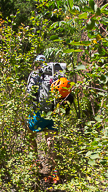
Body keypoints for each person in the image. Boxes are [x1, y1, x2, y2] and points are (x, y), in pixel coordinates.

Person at [26, 55, 73, 184]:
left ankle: (35, 164)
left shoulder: (36, 74)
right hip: (53, 111)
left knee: (30, 134)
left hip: (38, 112)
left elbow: (30, 92)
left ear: (36, 63)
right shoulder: (54, 74)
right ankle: (54, 172)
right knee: (50, 140)